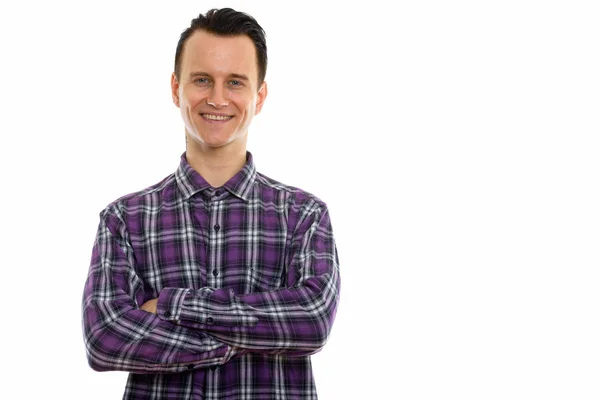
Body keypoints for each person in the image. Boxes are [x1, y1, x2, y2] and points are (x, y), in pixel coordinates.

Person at [81, 8, 341, 399]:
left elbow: (312, 320)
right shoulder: (124, 219)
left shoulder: (303, 215)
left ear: (260, 95)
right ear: (175, 88)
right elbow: (104, 336)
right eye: (202, 80)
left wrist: (172, 305)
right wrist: (245, 339)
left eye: (235, 82)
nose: (217, 98)